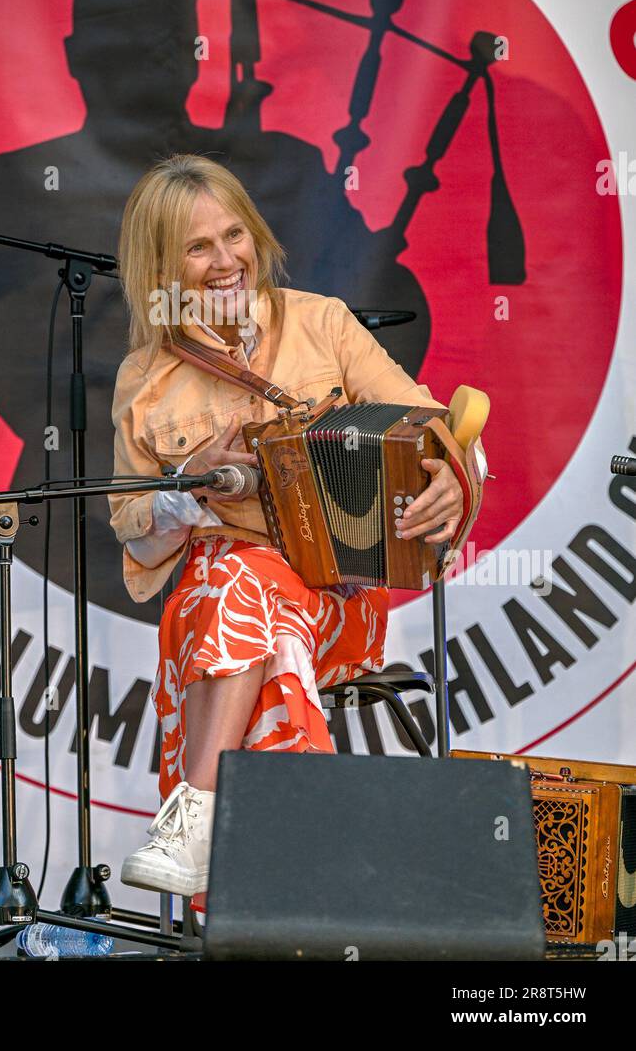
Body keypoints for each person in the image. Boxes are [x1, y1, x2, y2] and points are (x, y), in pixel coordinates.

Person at [108, 154, 485, 900]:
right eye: (197, 248)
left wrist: (454, 476)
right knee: (250, 598)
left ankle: (198, 826)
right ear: (162, 267)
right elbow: (136, 535)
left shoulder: (324, 323)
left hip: (337, 599)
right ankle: (292, 884)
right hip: (228, 601)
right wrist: (188, 490)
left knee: (246, 591)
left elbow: (436, 427)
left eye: (235, 235)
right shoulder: (145, 378)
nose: (227, 261)